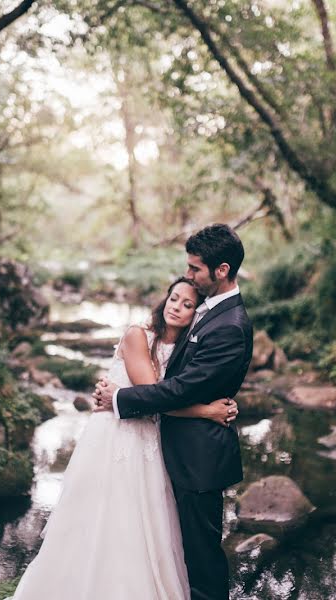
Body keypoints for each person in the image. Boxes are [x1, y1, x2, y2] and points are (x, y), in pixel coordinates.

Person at [12, 277, 239, 600]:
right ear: (165, 299)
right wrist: (207, 412)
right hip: (119, 437)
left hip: (154, 440)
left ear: (196, 313)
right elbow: (154, 398)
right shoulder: (138, 335)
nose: (177, 307)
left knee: (151, 521)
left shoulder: (188, 347)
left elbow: (184, 389)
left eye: (188, 305)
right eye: (174, 299)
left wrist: (224, 401)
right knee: (110, 515)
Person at [94, 223, 253, 600]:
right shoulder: (209, 310)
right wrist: (209, 407)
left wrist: (121, 398)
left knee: (201, 559)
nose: (188, 275)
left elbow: (182, 388)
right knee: (181, 551)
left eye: (195, 268)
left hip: (200, 460)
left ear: (222, 270)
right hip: (178, 451)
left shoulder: (229, 325)